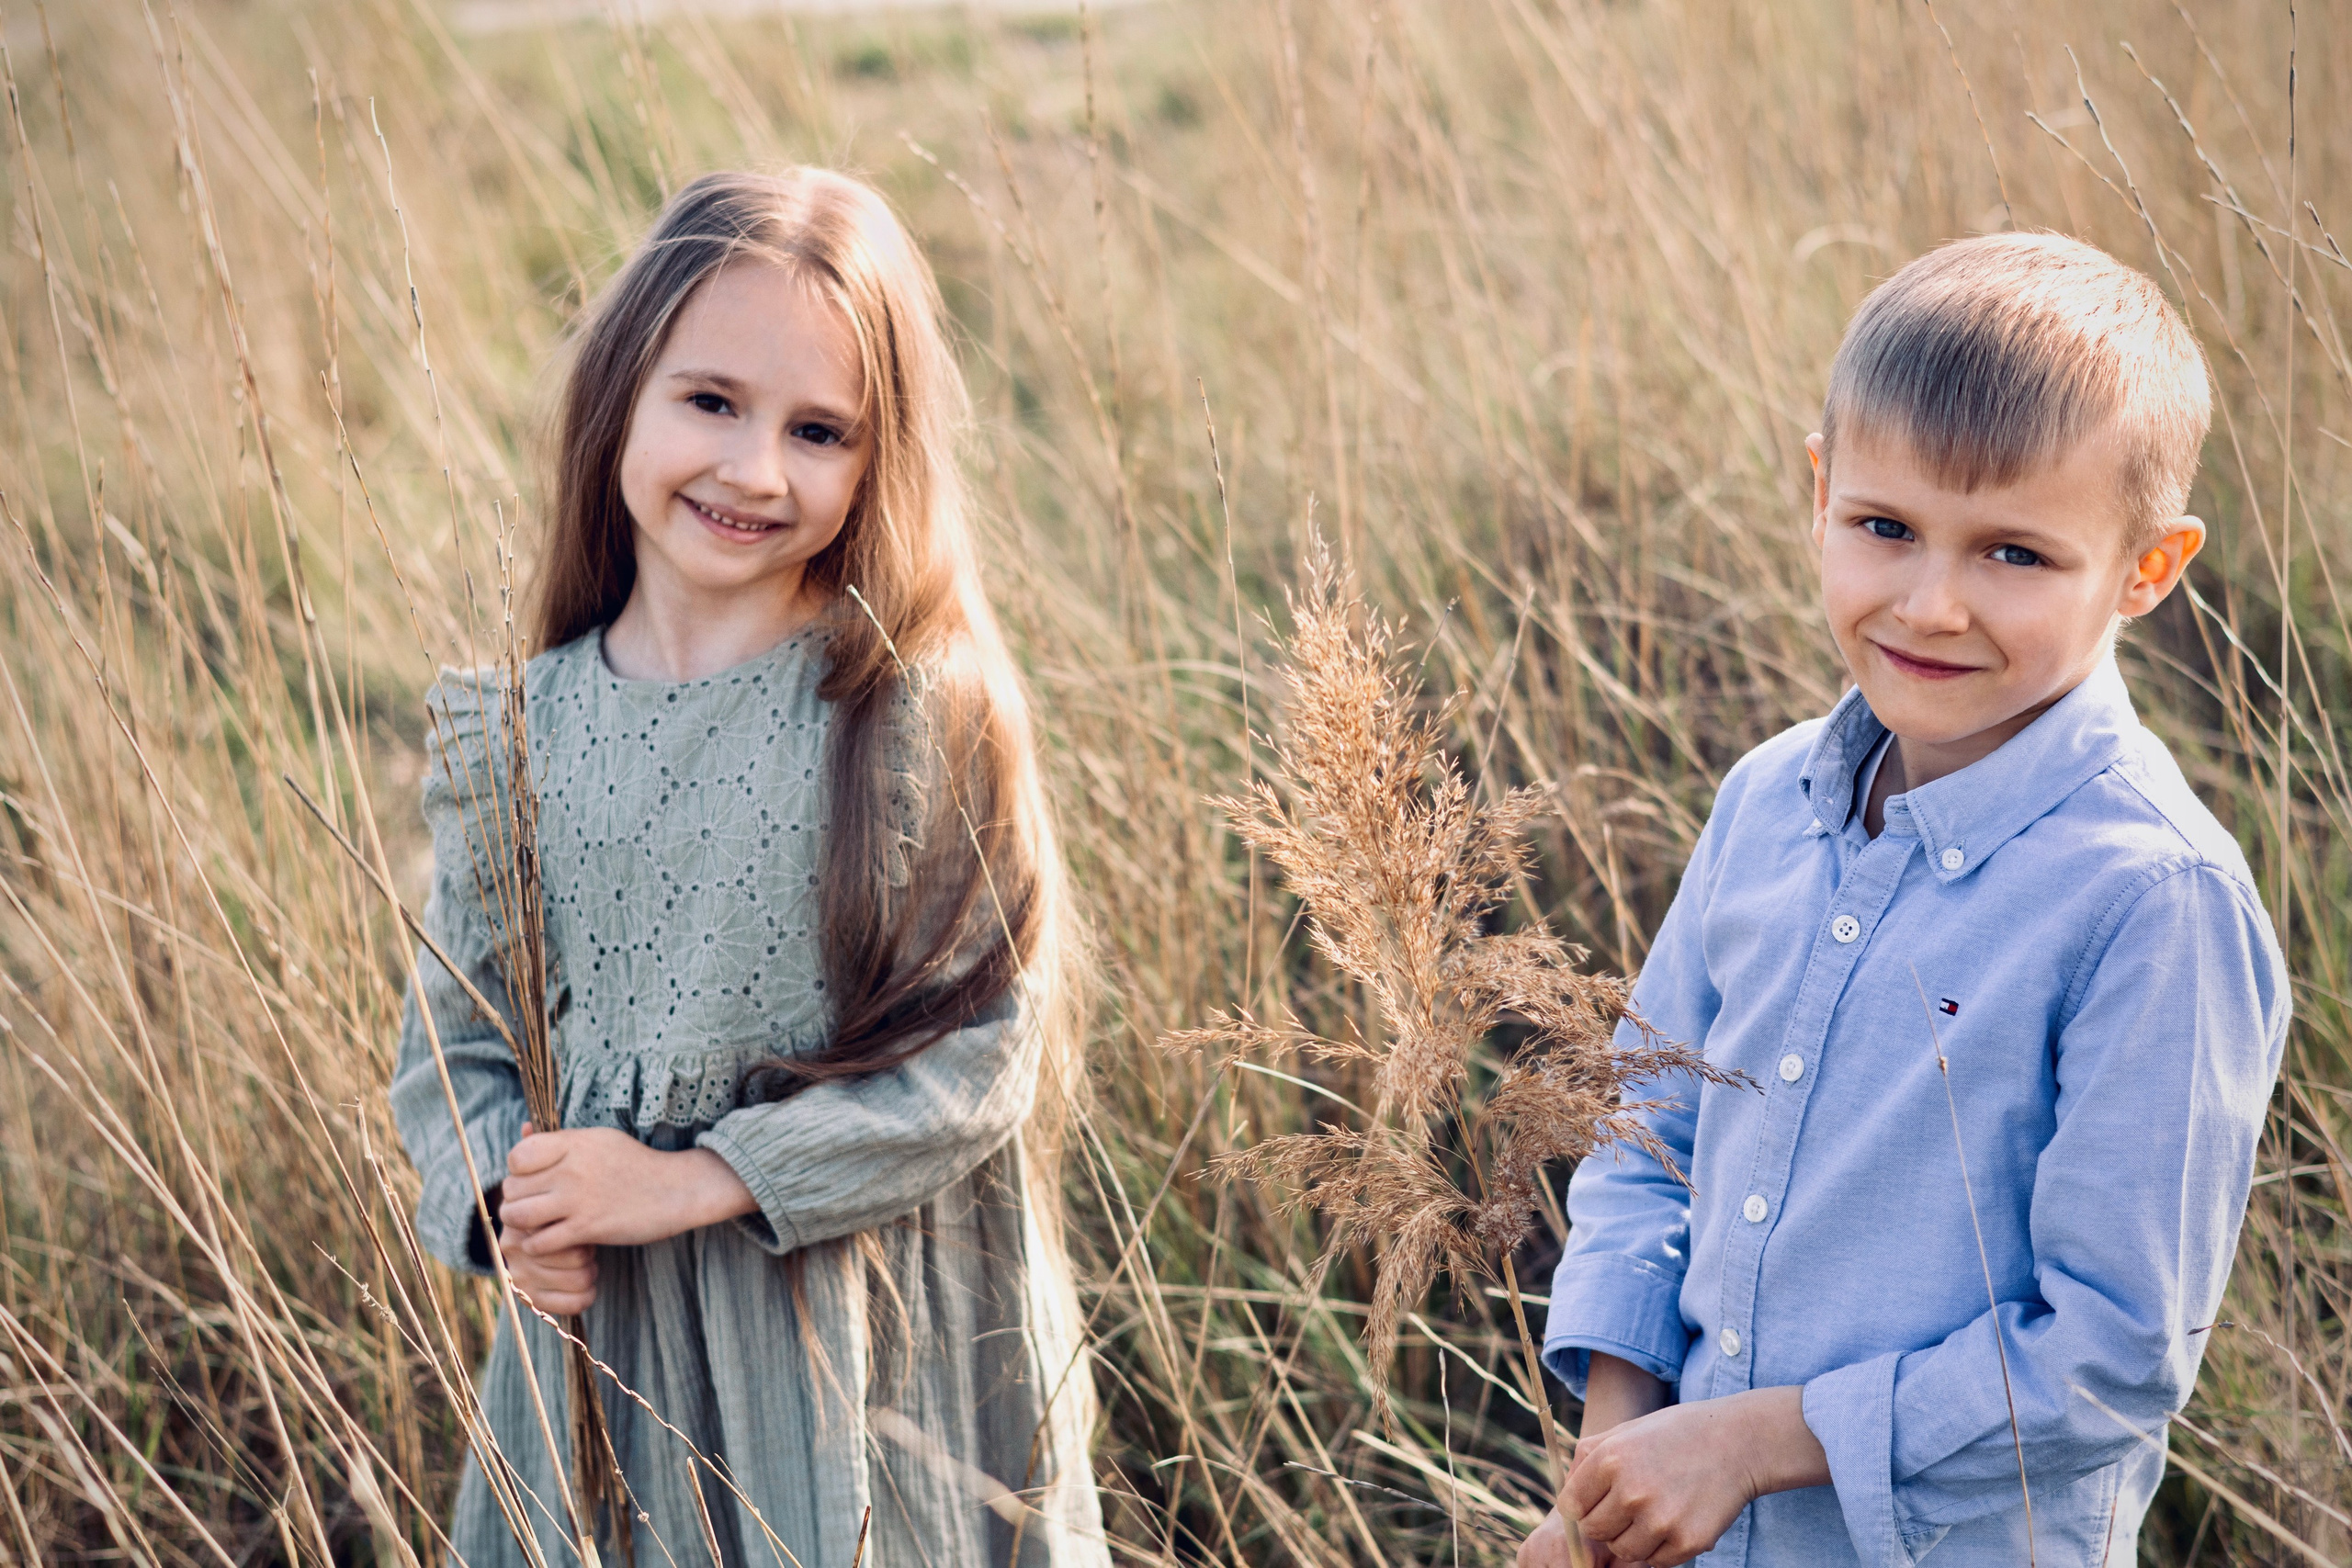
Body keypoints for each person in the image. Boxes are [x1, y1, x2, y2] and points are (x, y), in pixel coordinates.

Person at [1517, 232, 2290, 1567]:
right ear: (1821, 494)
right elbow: (1647, 1136)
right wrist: (1614, 1472)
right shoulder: (1767, 802)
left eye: (2015, 554)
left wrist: (1755, 1441)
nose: (1931, 606)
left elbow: (2111, 1357)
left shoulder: (2155, 904)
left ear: (2147, 569)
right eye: (1886, 529)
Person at [390, 167, 1108, 1568]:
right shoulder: (515, 738)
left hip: (864, 1361)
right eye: (711, 402)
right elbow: (451, 1047)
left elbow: (985, 1052)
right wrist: (509, 1203)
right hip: (616, 1367)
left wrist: (706, 1176)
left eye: (818, 430)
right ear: (622, 391)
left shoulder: (908, 711)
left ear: (878, 460)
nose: (755, 471)